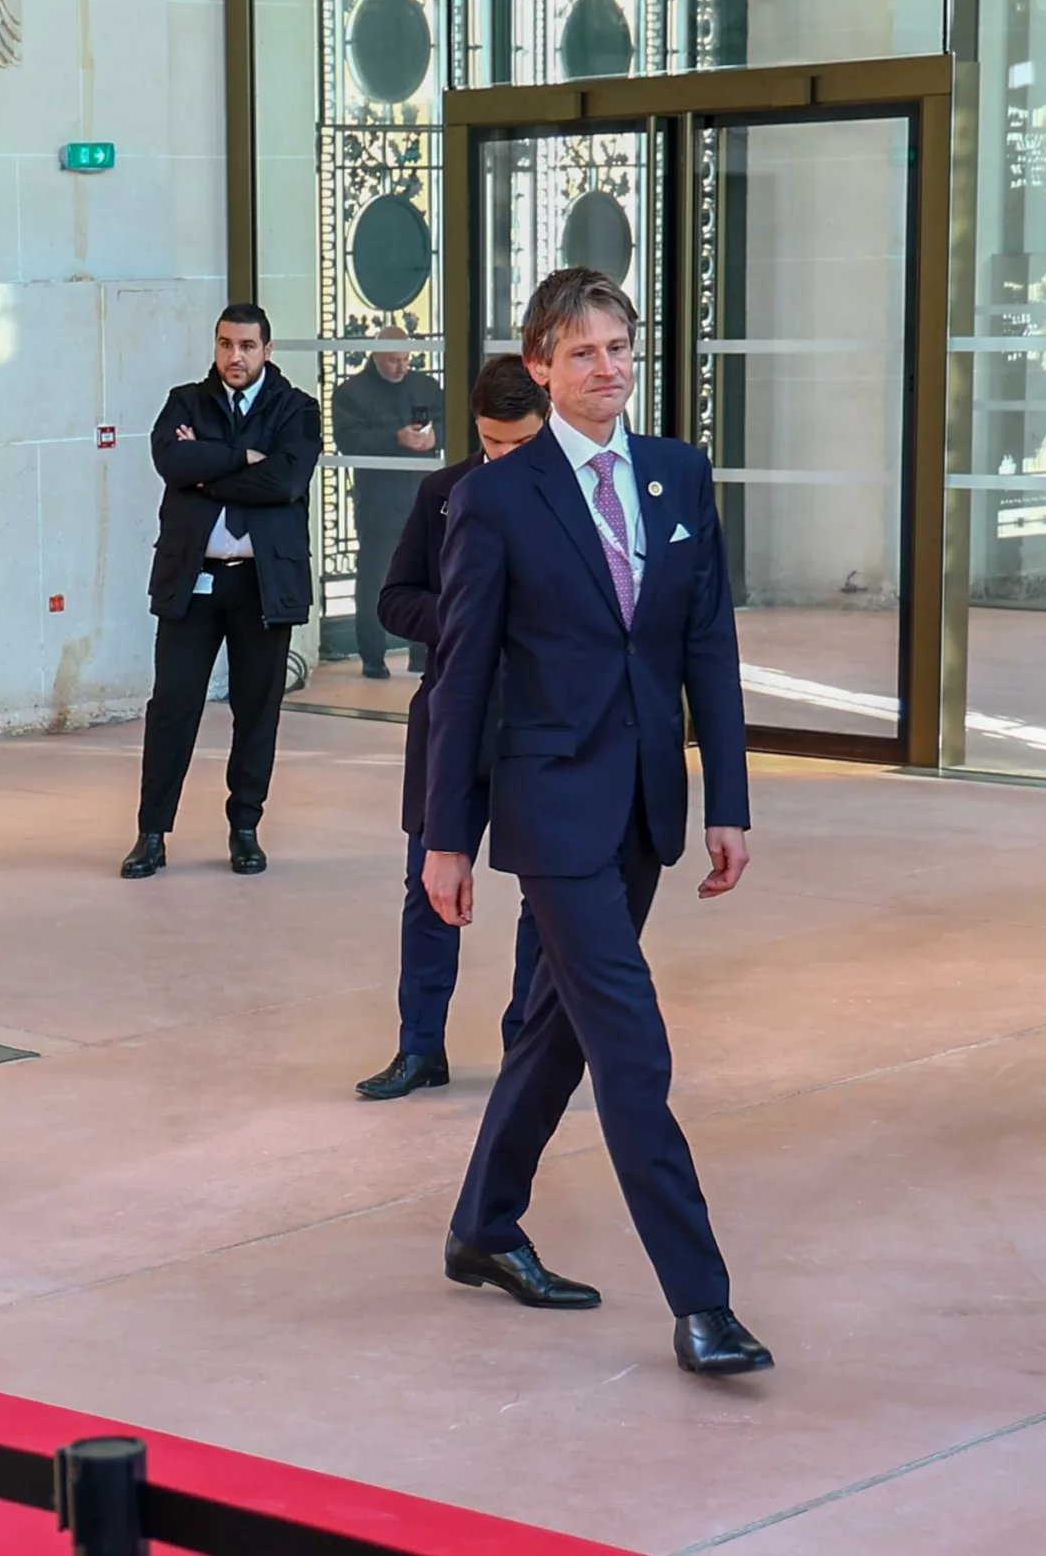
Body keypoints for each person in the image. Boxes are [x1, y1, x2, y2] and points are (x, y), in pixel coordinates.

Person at [422, 267, 772, 1377]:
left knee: (556, 1028)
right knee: (630, 1042)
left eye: (620, 347)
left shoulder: (676, 474)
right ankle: (702, 1303)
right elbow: (461, 675)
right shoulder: (499, 496)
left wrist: (728, 799)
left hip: (643, 808)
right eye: (582, 354)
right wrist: (443, 835)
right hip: (549, 805)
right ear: (540, 366)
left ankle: (483, 1227)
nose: (608, 369)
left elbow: (704, 643)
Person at [352, 356, 549, 1101]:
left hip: (538, 725)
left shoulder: (574, 498)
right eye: (493, 444)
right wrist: (465, 621)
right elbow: (394, 599)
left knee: (546, 893)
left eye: (522, 444)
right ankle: (419, 1048)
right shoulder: (441, 494)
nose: (505, 460)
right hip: (450, 723)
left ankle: (526, 1050)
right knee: (429, 885)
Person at [122, 303, 323, 878]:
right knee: (173, 707)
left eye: (247, 346)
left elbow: (285, 480)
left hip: (263, 585)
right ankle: (152, 833)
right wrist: (240, 458)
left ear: (268, 350)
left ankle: (245, 828)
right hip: (194, 581)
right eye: (226, 344)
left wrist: (206, 469)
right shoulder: (185, 401)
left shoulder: (297, 409)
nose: (236, 356)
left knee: (256, 711)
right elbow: (170, 459)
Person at [331, 324, 444, 679]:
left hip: (424, 495)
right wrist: (395, 438)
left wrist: (434, 437)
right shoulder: (351, 392)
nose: (401, 366)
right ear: (375, 355)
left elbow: (451, 419)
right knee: (374, 577)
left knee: (431, 576)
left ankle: (422, 654)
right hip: (379, 500)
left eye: (406, 359)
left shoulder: (426, 385)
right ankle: (372, 655)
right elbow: (348, 440)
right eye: (394, 360)